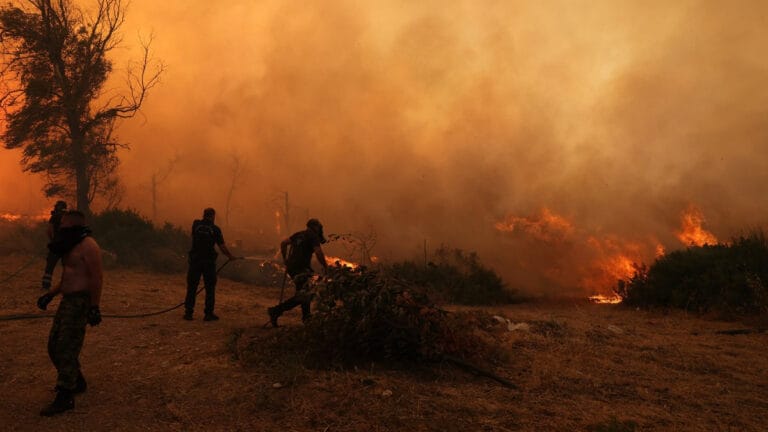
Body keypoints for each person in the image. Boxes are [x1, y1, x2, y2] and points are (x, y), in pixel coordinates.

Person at [36, 210, 103, 417]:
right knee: (54, 345)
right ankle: (77, 379)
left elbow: (96, 277)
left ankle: (65, 396)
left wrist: (94, 306)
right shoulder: (71, 245)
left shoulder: (89, 246)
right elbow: (67, 276)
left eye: (63, 223)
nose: (60, 226)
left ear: (73, 224)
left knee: (66, 346)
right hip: (67, 300)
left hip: (80, 302)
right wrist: (51, 294)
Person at [268, 218, 328, 327]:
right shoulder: (313, 236)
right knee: (304, 294)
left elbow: (284, 243)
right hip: (301, 269)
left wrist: (285, 258)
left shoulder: (299, 234)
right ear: (315, 227)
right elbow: (318, 252)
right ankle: (276, 311)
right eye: (319, 227)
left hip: (292, 267)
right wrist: (326, 266)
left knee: (304, 292)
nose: (320, 230)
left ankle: (306, 317)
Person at [184, 208, 236, 321]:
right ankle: (208, 314)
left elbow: (194, 237)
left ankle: (188, 313)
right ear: (213, 216)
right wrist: (230, 256)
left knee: (192, 287)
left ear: (204, 215)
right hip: (208, 262)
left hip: (195, 260)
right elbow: (222, 247)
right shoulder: (215, 229)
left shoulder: (196, 224)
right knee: (210, 288)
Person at [41, 200, 67, 290]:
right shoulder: (68, 217)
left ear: (56, 207)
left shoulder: (54, 217)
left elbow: (49, 230)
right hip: (66, 245)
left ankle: (46, 285)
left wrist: (52, 240)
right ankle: (67, 285)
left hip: (56, 244)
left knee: (50, 265)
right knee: (67, 266)